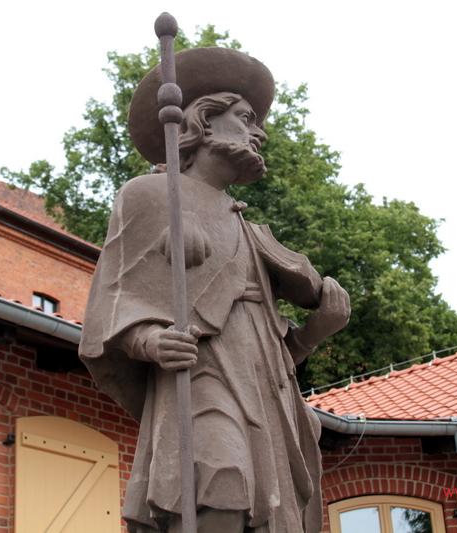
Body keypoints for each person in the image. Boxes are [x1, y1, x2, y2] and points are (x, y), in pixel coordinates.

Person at [79, 47, 350, 533]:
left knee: (268, 511)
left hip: (265, 392)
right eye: (245, 118)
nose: (259, 132)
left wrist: (315, 331)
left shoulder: (252, 233)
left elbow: (270, 350)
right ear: (203, 121)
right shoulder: (149, 196)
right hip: (200, 372)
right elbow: (112, 300)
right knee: (219, 477)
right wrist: (151, 341)